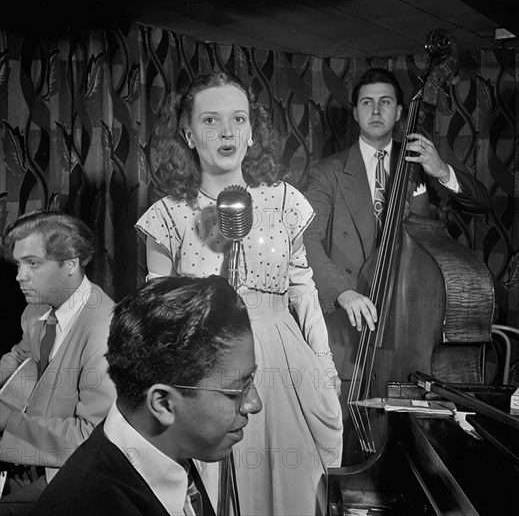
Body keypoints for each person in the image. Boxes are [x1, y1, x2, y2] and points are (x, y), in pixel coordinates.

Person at [135, 72, 343, 516]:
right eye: (210, 120)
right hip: (207, 365)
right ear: (188, 134)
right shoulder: (167, 216)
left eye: (239, 119)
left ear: (252, 131)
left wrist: (324, 366)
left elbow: (302, 288)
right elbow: (157, 312)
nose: (227, 132)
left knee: (294, 491)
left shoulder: (285, 200)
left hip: (282, 362)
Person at [303, 68, 493, 449]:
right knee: (343, 450)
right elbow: (305, 239)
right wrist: (342, 292)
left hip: (413, 334)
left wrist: (440, 171)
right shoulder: (327, 173)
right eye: (367, 103)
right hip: (349, 334)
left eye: (385, 102)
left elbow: (480, 203)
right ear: (355, 112)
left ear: (400, 111)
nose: (376, 110)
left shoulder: (421, 161)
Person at [32, 275, 262, 516]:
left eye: (251, 380)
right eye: (236, 390)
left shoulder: (170, 451)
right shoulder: (88, 505)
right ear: (162, 404)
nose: (254, 404)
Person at [0, 211, 116, 509]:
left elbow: (92, 441)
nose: (19, 276)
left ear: (71, 263)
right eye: (18, 264)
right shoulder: (36, 308)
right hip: (27, 458)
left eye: (33, 264)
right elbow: (22, 360)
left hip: (72, 473)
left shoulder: (104, 331)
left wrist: (7, 421)